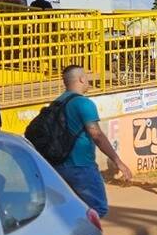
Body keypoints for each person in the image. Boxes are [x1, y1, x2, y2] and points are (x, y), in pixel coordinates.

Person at [53, 65, 132, 216]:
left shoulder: (57, 103)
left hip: (58, 167)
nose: (88, 80)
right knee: (98, 209)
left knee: (70, 211)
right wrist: (118, 162)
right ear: (81, 79)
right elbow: (97, 135)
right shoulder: (83, 103)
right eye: (87, 77)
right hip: (81, 166)